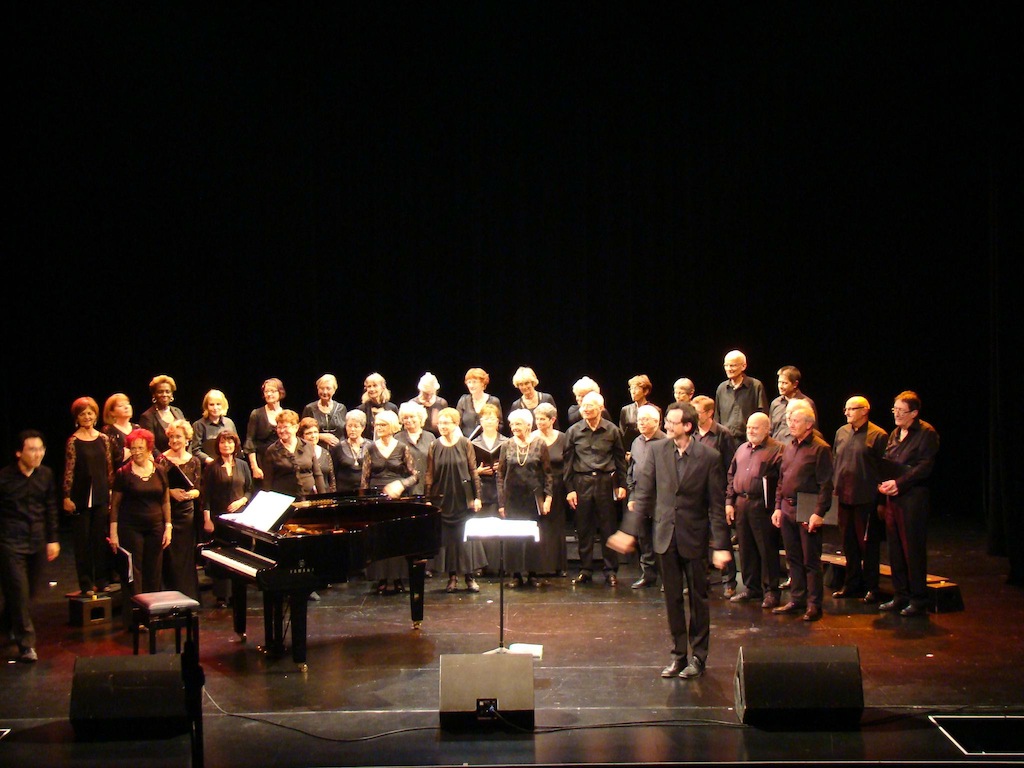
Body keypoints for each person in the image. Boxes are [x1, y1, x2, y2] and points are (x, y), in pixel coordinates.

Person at [607, 402, 731, 680]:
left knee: (698, 599)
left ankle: (699, 657)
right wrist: (628, 531)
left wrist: (721, 546)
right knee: (672, 599)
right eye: (668, 422)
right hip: (665, 536)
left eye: (673, 422)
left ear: (687, 426)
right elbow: (644, 495)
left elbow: (716, 506)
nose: (667, 426)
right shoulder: (657, 451)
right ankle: (678, 655)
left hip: (694, 537)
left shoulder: (709, 457)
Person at [878, 391, 940, 617]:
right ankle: (900, 594)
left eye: (901, 411)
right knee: (894, 549)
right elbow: (888, 461)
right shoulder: (895, 433)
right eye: (894, 410)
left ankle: (918, 598)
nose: (896, 414)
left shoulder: (926, 433)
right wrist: (884, 483)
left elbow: (924, 467)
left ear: (914, 413)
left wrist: (900, 483)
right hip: (893, 498)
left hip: (913, 498)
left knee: (912, 549)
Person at [771, 400, 834, 622]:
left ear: (809, 424)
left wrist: (819, 512)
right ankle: (797, 599)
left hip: (807, 508)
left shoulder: (820, 448)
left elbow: (826, 484)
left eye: (795, 420)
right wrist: (777, 507)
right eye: (789, 420)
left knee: (810, 559)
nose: (790, 424)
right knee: (793, 557)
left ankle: (814, 604)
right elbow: (782, 480)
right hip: (787, 508)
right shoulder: (789, 446)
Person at [0, 431, 60, 663]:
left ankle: (7, 624)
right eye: (32, 450)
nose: (38, 454)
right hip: (10, 542)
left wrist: (53, 539)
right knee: (18, 590)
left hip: (36, 540)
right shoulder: (4, 478)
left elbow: (50, 507)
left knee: (29, 592)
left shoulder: (45, 474)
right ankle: (26, 645)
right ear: (19, 453)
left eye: (41, 449)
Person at [564, 391, 627, 586]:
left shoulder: (612, 430)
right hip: (581, 482)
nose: (585, 409)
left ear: (600, 408)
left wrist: (622, 485)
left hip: (605, 481)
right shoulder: (573, 431)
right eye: (583, 406)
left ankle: (610, 570)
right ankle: (585, 569)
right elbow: (568, 462)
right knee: (584, 528)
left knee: (608, 527)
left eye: (590, 406)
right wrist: (570, 489)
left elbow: (620, 460)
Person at [832, 396, 888, 604]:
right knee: (848, 544)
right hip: (844, 497)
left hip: (866, 499)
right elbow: (836, 461)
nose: (846, 412)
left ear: (865, 410)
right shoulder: (841, 432)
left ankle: (872, 587)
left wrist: (882, 501)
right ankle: (851, 584)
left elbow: (884, 469)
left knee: (868, 545)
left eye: (851, 409)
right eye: (845, 409)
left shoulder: (878, 435)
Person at [725, 412, 783, 608]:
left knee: (766, 549)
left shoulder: (777, 449)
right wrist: (729, 502)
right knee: (746, 548)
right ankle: (752, 588)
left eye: (755, 428)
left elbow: (781, 482)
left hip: (762, 505)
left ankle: (771, 591)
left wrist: (777, 507)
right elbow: (731, 476)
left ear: (767, 429)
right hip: (742, 503)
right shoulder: (742, 448)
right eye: (748, 427)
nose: (750, 431)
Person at [425, 407, 485, 593]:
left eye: (446, 423)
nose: (442, 426)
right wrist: (428, 498)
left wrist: (477, 497)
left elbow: (473, 471)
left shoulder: (465, 443)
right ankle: (452, 577)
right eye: (440, 423)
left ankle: (469, 577)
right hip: (443, 497)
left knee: (465, 538)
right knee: (449, 539)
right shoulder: (434, 446)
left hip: (462, 497)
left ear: (455, 424)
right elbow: (430, 473)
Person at [109, 428, 172, 597]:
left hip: (155, 527)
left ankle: (152, 607)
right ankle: (135, 609)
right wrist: (113, 533)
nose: (136, 452)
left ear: (149, 449)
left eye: (140, 448)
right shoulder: (123, 473)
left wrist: (168, 526)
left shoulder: (160, 471)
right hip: (131, 528)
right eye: (133, 448)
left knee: (154, 569)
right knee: (134, 570)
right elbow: (115, 505)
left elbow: (165, 501)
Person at [361, 410, 418, 593]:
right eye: (377, 424)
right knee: (379, 538)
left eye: (383, 424)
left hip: (397, 498)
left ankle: (399, 577)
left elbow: (415, 476)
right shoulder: (370, 448)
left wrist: (401, 484)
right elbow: (365, 478)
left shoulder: (402, 448)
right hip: (377, 498)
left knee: (397, 537)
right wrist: (365, 501)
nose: (379, 428)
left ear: (392, 426)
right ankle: (382, 578)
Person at [62, 397, 114, 597]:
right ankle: (86, 583)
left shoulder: (103, 439)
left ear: (95, 415)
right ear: (77, 417)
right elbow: (69, 470)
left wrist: (111, 491)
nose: (87, 417)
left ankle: (102, 580)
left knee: (100, 540)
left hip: (101, 495)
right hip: (80, 497)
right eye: (82, 414)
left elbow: (109, 467)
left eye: (90, 413)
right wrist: (66, 496)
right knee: (82, 542)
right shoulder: (73, 441)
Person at [496, 409, 553, 588]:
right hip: (512, 498)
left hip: (533, 498)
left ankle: (533, 574)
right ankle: (516, 575)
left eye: (518, 424)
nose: (514, 427)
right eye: (512, 424)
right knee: (513, 537)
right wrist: (501, 503)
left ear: (528, 425)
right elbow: (500, 475)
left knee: (533, 536)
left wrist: (548, 498)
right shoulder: (506, 445)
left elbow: (548, 473)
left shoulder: (539, 444)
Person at [692, 394, 739, 597]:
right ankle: (702, 580)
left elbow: (731, 467)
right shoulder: (692, 433)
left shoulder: (722, 434)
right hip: (696, 495)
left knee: (722, 538)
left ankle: (729, 581)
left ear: (710, 413)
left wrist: (729, 497)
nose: (694, 416)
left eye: (697, 412)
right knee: (698, 539)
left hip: (716, 494)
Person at [201, 431, 252, 608]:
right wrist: (207, 519)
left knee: (240, 554)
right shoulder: (211, 467)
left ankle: (238, 593)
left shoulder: (243, 465)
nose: (226, 445)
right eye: (223, 442)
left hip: (240, 518)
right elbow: (206, 496)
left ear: (235, 445)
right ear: (218, 446)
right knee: (222, 556)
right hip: (219, 519)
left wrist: (241, 501)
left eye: (230, 442)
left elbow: (249, 490)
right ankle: (222, 596)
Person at [156, 419, 202, 599]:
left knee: (185, 556)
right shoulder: (161, 460)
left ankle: (188, 596)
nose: (174, 440)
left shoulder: (194, 461)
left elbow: (198, 489)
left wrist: (190, 495)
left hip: (186, 514)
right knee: (169, 556)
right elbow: (156, 487)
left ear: (187, 439)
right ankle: (169, 597)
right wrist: (171, 492)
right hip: (168, 513)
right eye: (172, 437)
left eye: (178, 437)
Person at [625, 404, 666, 589]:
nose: (641, 423)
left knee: (661, 539)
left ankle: (667, 577)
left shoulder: (665, 441)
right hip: (640, 497)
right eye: (639, 420)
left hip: (659, 498)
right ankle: (648, 574)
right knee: (644, 538)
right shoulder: (636, 442)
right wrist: (632, 496)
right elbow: (632, 470)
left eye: (645, 420)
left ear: (656, 422)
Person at [532, 402, 569, 576]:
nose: (539, 422)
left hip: (558, 486)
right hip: (538, 487)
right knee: (541, 525)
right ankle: (540, 564)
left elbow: (568, 463)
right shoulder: (532, 438)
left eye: (543, 419)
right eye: (537, 419)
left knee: (556, 525)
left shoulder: (562, 438)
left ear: (552, 420)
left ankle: (558, 565)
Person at [263, 410, 326, 499]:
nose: (281, 430)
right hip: (284, 499)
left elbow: (317, 474)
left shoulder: (307, 446)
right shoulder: (272, 450)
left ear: (296, 427)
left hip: (308, 497)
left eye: (285, 427)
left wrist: (323, 498)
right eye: (279, 427)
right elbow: (268, 481)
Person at [714, 350, 769, 441]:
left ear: (743, 366)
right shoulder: (721, 388)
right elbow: (717, 416)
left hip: (748, 439)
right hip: (726, 440)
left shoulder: (755, 386)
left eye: (732, 365)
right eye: (726, 365)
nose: (728, 369)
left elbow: (762, 415)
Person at [244, 378, 286, 486]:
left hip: (283, 461)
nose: (269, 394)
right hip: (263, 462)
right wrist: (254, 467)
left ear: (280, 392)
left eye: (272, 391)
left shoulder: (286, 414)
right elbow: (250, 441)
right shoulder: (256, 414)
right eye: (266, 391)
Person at [138, 374, 186, 454]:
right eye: (160, 392)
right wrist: (164, 459)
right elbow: (150, 445)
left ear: (171, 394)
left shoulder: (178, 411)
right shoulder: (147, 417)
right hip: (161, 459)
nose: (164, 395)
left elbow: (187, 436)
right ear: (154, 395)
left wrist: (187, 457)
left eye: (167, 391)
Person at [769, 365, 817, 442]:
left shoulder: (806, 404)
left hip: (796, 447)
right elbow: (770, 430)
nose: (780, 386)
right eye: (779, 382)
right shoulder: (775, 403)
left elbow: (813, 432)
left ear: (795, 384)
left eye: (784, 383)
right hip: (776, 447)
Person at [396, 402, 435, 496]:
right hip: (405, 490)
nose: (409, 420)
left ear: (420, 418)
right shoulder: (397, 438)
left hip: (426, 488)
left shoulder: (430, 437)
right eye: (405, 418)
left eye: (412, 417)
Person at [191, 389, 238, 465]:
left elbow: (236, 446)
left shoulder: (229, 423)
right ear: (206, 406)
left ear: (223, 405)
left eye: (218, 404)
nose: (215, 408)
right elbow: (195, 450)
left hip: (229, 465)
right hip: (207, 467)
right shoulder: (199, 425)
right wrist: (213, 463)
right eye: (211, 404)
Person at [301, 374, 347, 450]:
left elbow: (346, 432)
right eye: (321, 388)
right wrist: (320, 436)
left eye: (328, 388)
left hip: (338, 451)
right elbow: (302, 433)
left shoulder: (341, 408)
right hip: (316, 450)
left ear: (334, 390)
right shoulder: (310, 409)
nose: (325, 392)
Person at [456, 367, 503, 439]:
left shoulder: (493, 401)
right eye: (469, 382)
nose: (471, 385)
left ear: (483, 383)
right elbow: (456, 424)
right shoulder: (463, 400)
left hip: (487, 441)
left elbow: (500, 425)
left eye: (474, 382)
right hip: (466, 442)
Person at [330, 410, 368, 496]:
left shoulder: (371, 446)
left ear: (363, 428)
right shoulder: (338, 448)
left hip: (365, 492)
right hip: (344, 493)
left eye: (356, 426)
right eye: (349, 426)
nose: (352, 429)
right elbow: (333, 473)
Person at [356, 372, 399, 440]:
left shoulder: (392, 408)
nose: (372, 389)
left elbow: (397, 431)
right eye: (369, 386)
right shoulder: (361, 409)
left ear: (383, 387)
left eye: (375, 385)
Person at [101, 393, 139, 470]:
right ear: (111, 412)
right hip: (120, 472)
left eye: (128, 404)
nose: (126, 407)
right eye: (121, 405)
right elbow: (111, 457)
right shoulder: (108, 431)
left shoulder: (137, 428)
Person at [299, 417, 336, 493]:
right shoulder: (299, 453)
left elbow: (332, 480)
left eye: (315, 432)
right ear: (302, 436)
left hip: (325, 495)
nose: (313, 436)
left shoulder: (325, 453)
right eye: (309, 433)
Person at [619, 374, 655, 452]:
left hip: (649, 450)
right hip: (629, 450)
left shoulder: (654, 410)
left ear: (645, 391)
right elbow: (622, 434)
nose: (633, 392)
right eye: (631, 388)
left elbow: (656, 434)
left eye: (636, 388)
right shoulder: (625, 410)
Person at [409, 372, 448, 436]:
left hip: (437, 437)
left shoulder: (441, 403)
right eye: (426, 394)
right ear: (420, 391)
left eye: (431, 394)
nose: (429, 397)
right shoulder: (413, 404)